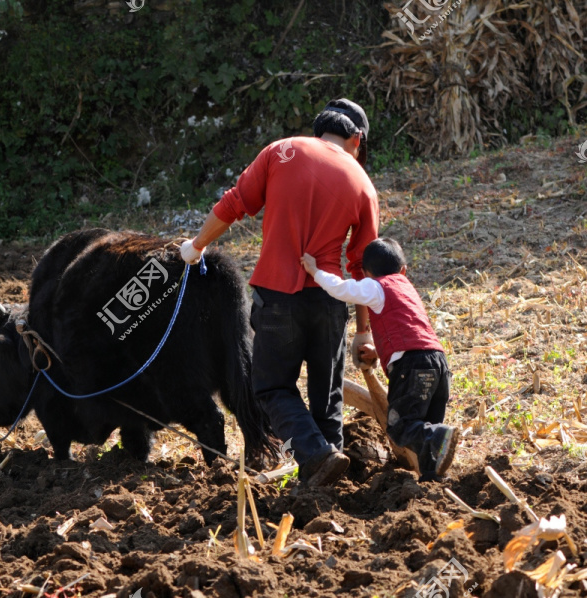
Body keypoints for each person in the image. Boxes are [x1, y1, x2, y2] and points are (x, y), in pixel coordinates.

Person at [180, 99, 379, 486]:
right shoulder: (362, 183)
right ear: (356, 139)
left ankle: (318, 456)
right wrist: (363, 331)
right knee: (327, 397)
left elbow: (235, 203)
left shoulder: (281, 150)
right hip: (330, 302)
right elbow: (362, 268)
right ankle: (331, 482)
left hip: (277, 298)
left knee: (271, 387)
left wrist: (196, 246)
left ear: (319, 130)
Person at [300, 238, 460, 481]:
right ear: (403, 269)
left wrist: (315, 271)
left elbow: (341, 289)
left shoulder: (375, 286)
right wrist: (379, 351)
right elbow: (408, 331)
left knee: (401, 426)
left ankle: (439, 438)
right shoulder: (406, 287)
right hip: (438, 363)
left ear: (365, 273)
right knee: (426, 432)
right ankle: (433, 479)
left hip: (412, 367)